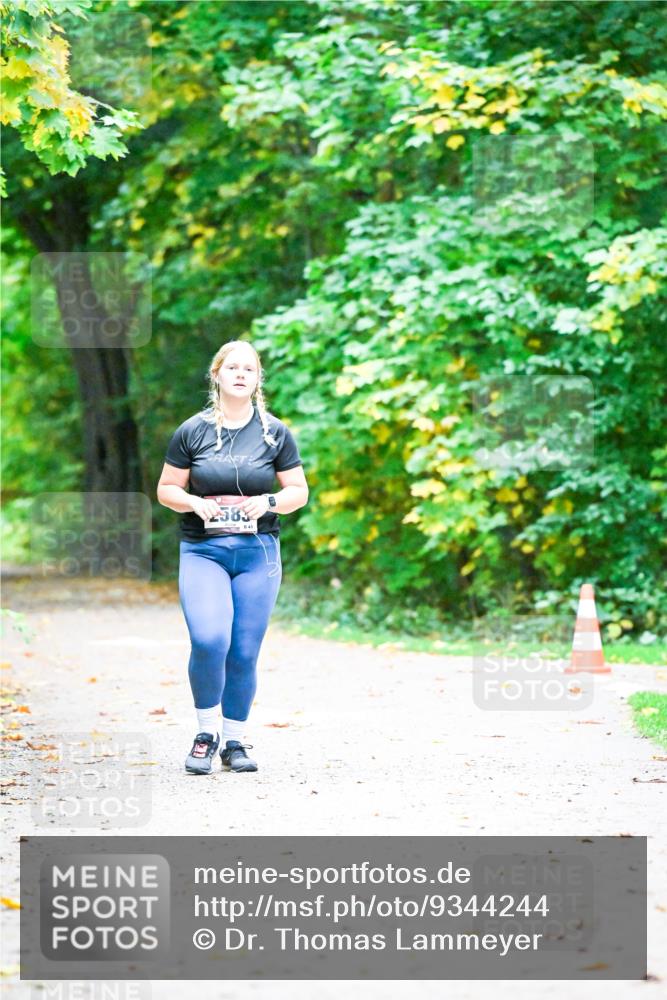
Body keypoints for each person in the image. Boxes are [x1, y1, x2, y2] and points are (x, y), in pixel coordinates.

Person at [156, 340, 309, 775]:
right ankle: (205, 735)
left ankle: (235, 740)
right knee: (209, 639)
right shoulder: (193, 430)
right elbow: (167, 489)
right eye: (233, 368)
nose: (241, 374)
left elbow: (298, 491)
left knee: (243, 650)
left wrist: (271, 503)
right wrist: (192, 503)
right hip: (204, 550)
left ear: (257, 379)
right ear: (217, 375)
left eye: (250, 369)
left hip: (258, 552)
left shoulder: (274, 432)